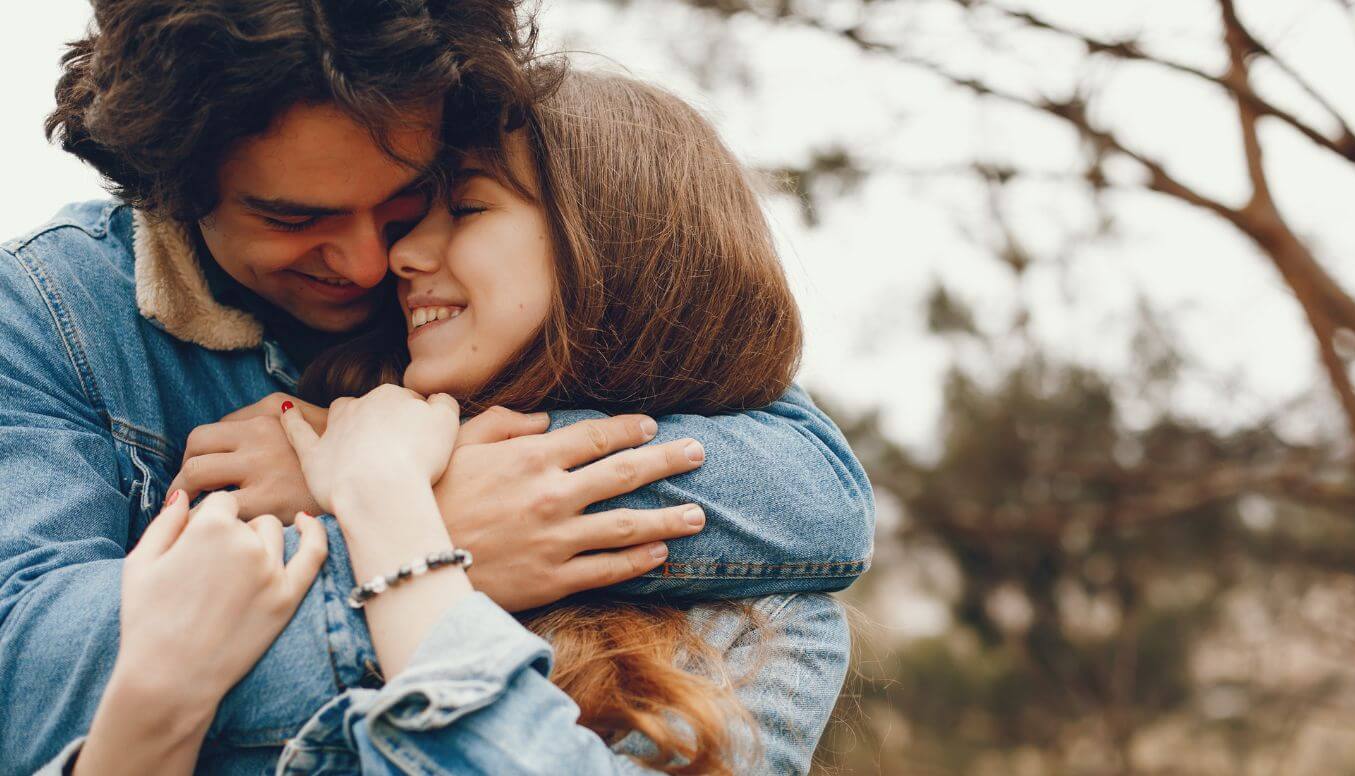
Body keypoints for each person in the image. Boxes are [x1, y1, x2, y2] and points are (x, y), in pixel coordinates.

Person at [1, 3, 873, 774]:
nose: (375, 262)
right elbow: (27, 673)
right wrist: (430, 535)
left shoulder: (760, 627)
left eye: (411, 200)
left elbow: (819, 498)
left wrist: (384, 481)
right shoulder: (51, 313)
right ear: (172, 189)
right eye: (294, 219)